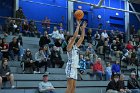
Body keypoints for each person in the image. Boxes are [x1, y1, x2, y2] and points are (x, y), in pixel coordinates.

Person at [65, 21, 87, 93]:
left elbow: (82, 38)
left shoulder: (75, 46)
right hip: (70, 67)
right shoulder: (69, 47)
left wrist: (83, 28)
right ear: (68, 41)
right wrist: (78, 26)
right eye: (70, 39)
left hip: (75, 68)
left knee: (74, 87)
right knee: (70, 86)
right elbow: (75, 37)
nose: (72, 39)